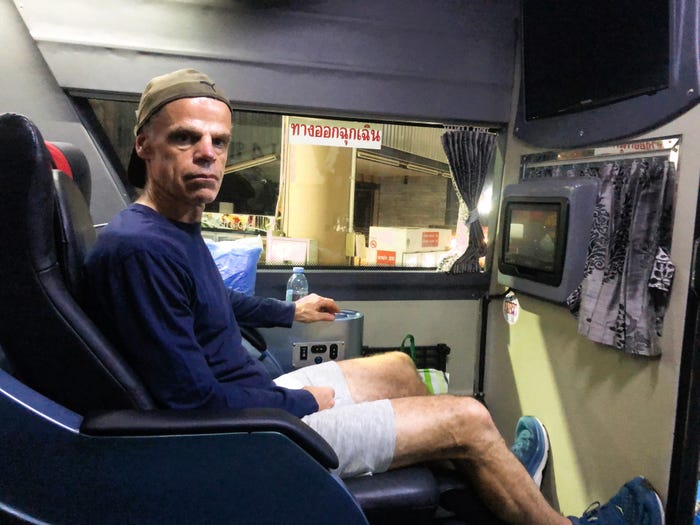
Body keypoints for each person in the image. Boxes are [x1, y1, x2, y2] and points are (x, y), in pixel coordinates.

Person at [83, 69, 664, 525]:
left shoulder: (173, 229)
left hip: (254, 400)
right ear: (144, 145)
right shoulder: (140, 250)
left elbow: (214, 305)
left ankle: (482, 481)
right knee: (470, 414)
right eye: (185, 138)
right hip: (253, 436)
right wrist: (304, 405)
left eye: (218, 141)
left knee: (398, 367)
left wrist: (290, 311)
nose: (207, 152)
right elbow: (195, 410)